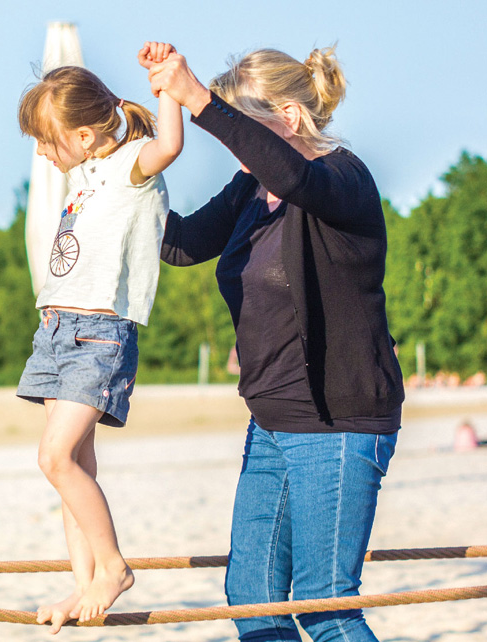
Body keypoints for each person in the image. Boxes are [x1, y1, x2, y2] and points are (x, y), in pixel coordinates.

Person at [146, 43, 404, 642]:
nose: (234, 147)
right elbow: (179, 244)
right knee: (252, 603)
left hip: (339, 421)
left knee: (326, 608)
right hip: (271, 420)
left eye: (242, 127)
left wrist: (203, 103)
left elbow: (293, 174)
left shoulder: (344, 177)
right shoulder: (248, 190)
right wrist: (129, 176)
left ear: (287, 119)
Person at [14, 43, 184, 633]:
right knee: (76, 463)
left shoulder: (134, 162)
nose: (40, 150)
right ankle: (84, 583)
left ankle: (111, 568)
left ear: (86, 137)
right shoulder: (84, 171)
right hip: (56, 329)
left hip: (99, 333)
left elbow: (170, 144)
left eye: (46, 139)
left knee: (55, 458)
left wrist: (166, 86)